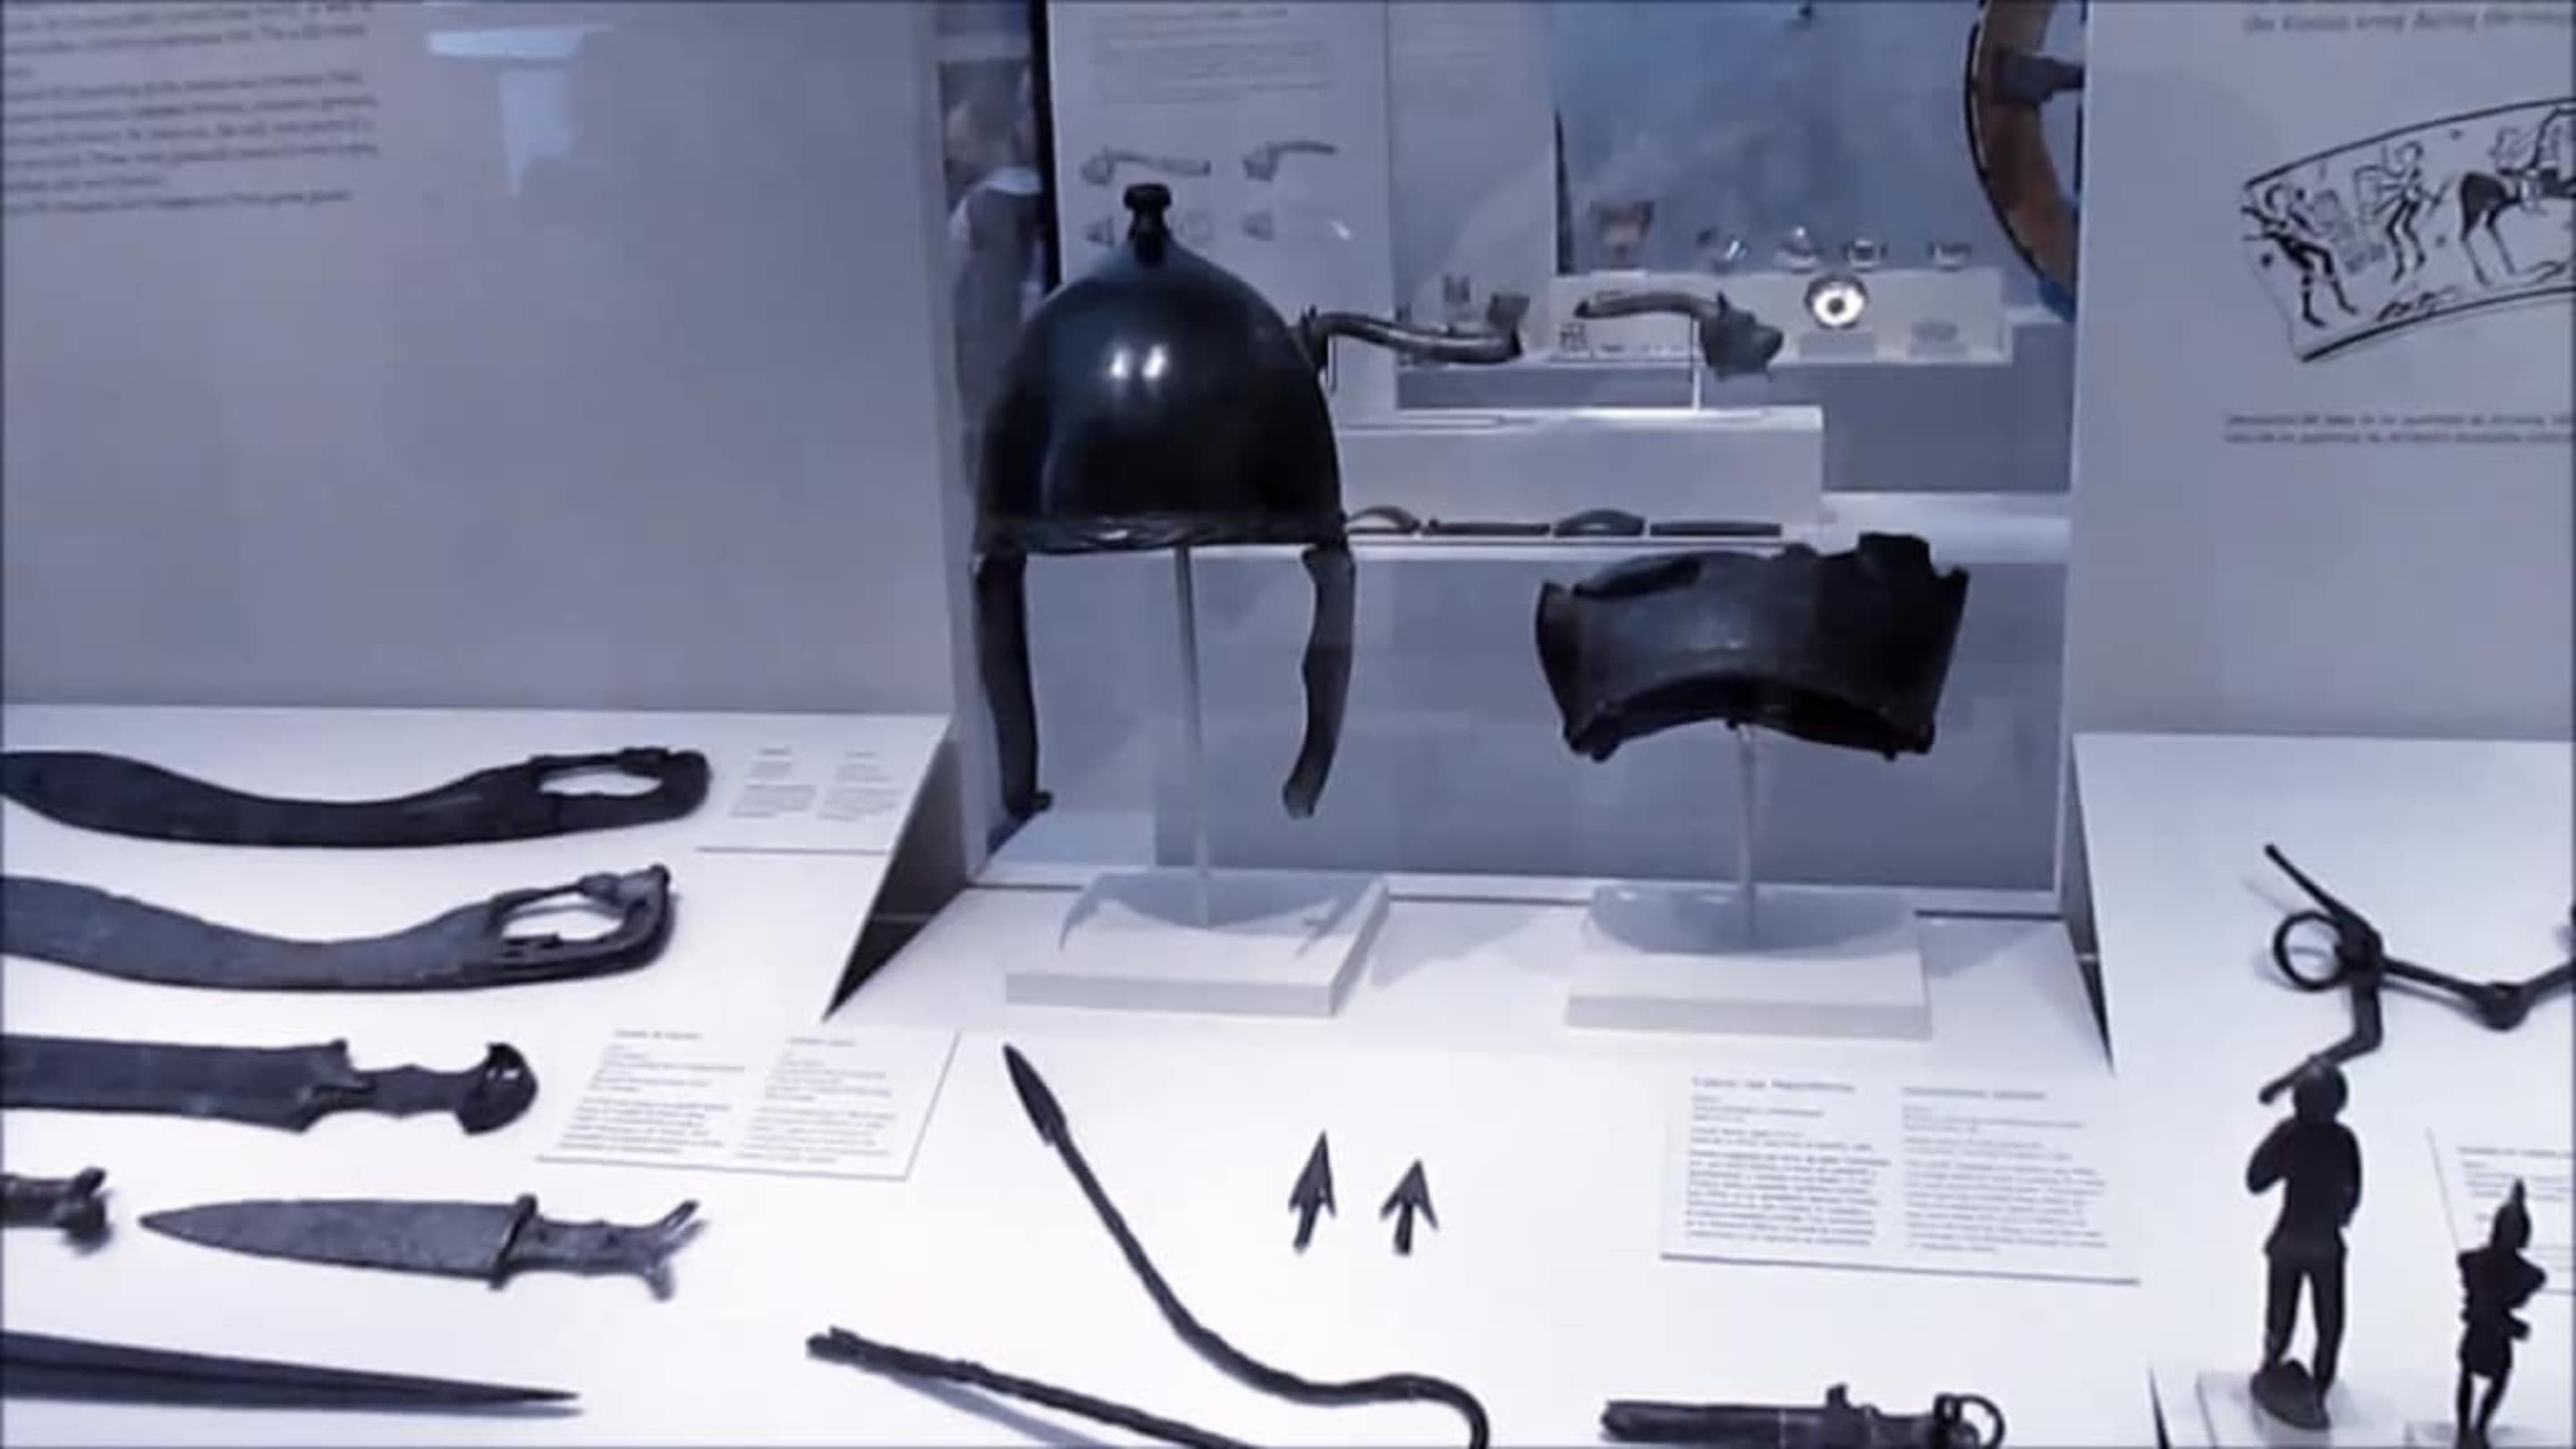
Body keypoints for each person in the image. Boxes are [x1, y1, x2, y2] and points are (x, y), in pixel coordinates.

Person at [2244, 1061, 2362, 1429]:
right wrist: (2340, 1212)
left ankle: (2276, 1366)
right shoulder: (2342, 1140)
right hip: (2324, 1241)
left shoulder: (2292, 1135)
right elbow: (2352, 1191)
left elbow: (2256, 1179)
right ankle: (2315, 1382)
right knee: (2328, 1319)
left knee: (2285, 1312)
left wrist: (2285, 1155)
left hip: (2293, 1236)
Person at [2454, 1181, 2547, 1449]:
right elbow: (2492, 1304)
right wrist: (2511, 1325)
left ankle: (2472, 1429)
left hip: (2482, 1327)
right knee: (2490, 1375)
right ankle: (2473, 1428)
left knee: (2478, 1373)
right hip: (2491, 1330)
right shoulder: (2518, 1272)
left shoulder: (2475, 1262)